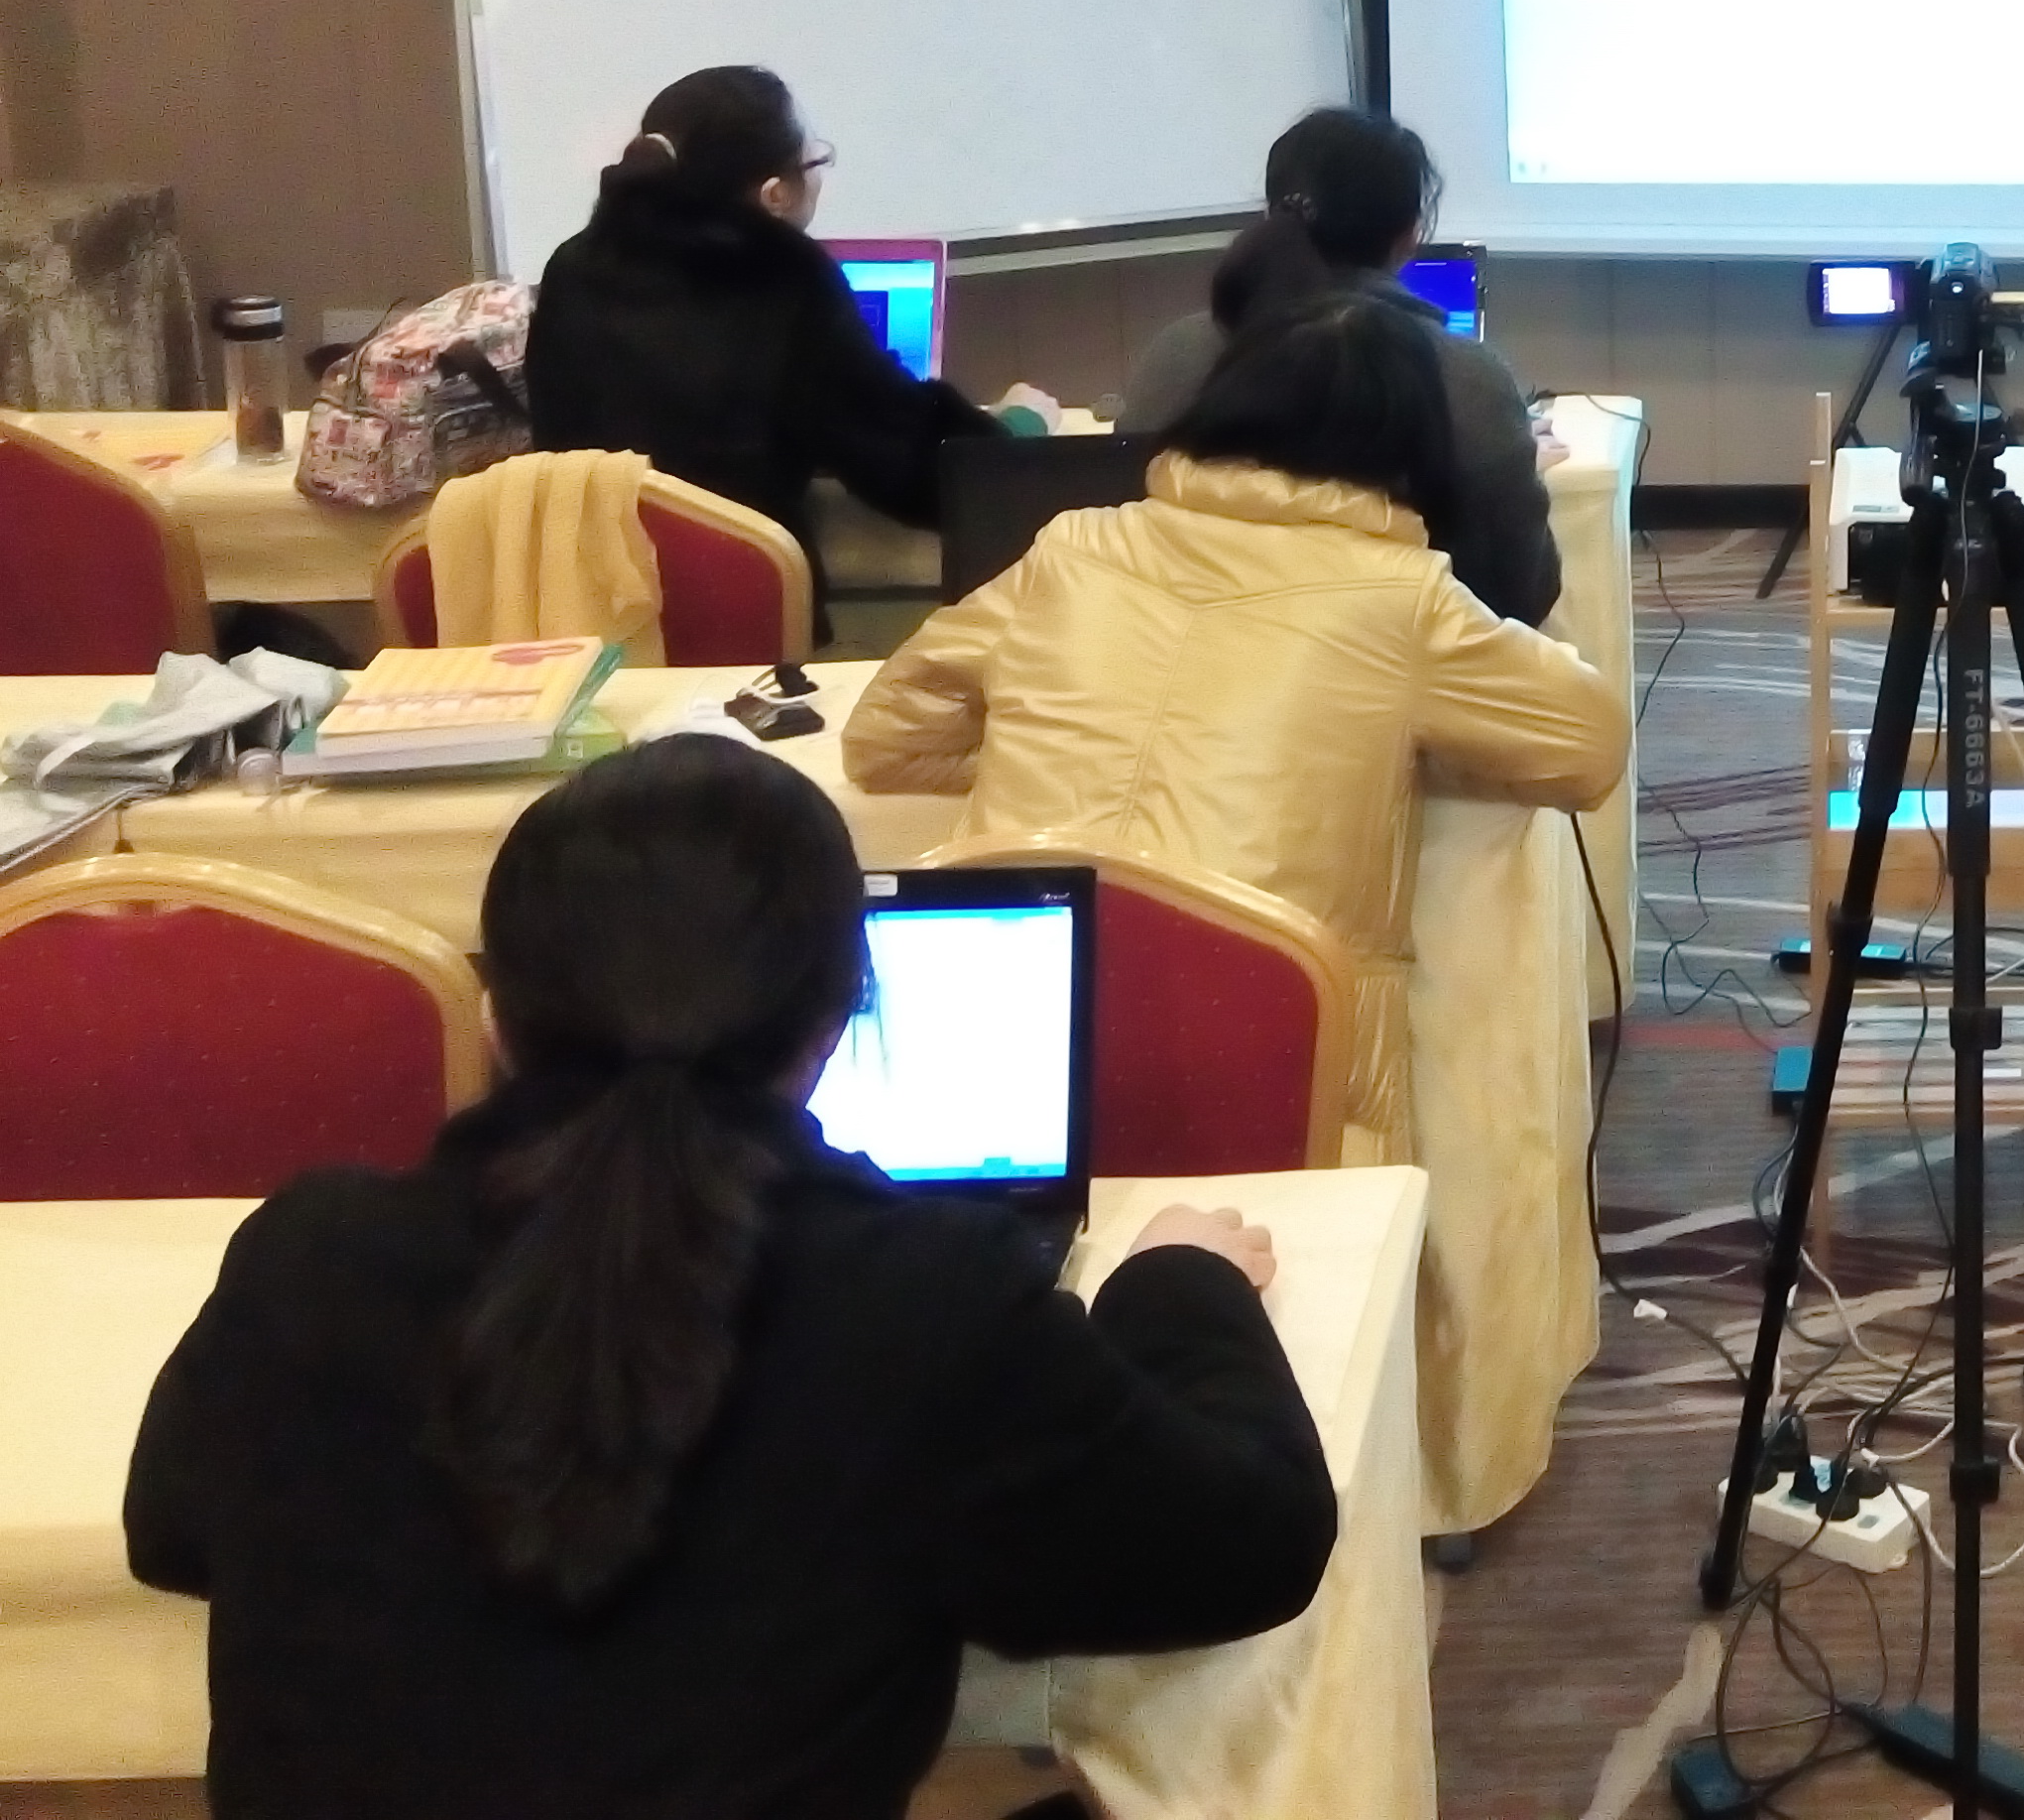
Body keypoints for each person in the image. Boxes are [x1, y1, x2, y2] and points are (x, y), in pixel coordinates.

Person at [125, 734, 1338, 1820]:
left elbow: (172, 1532)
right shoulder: (922, 1297)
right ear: (836, 1028)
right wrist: (1177, 1282)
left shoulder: (310, 1257)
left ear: (492, 1015)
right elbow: (1253, 1545)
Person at [844, 278, 1626, 1537]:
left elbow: (886, 738)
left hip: (1011, 1035)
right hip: (1276, 1058)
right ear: (1408, 445)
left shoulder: (1071, 549)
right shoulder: (1405, 601)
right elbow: (1584, 748)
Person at [523, 65, 990, 615]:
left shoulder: (573, 266)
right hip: (742, 617)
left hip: (597, 607)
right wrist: (1014, 433)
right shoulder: (784, 276)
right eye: (813, 163)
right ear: (775, 195)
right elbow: (900, 464)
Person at [1122, 106, 1561, 627]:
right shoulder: (1468, 380)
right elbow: (1520, 598)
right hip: (1395, 663)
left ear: (1271, 215)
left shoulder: (1175, 354)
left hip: (1182, 649)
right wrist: (1508, 457)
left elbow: (1129, 527)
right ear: (1410, 235)